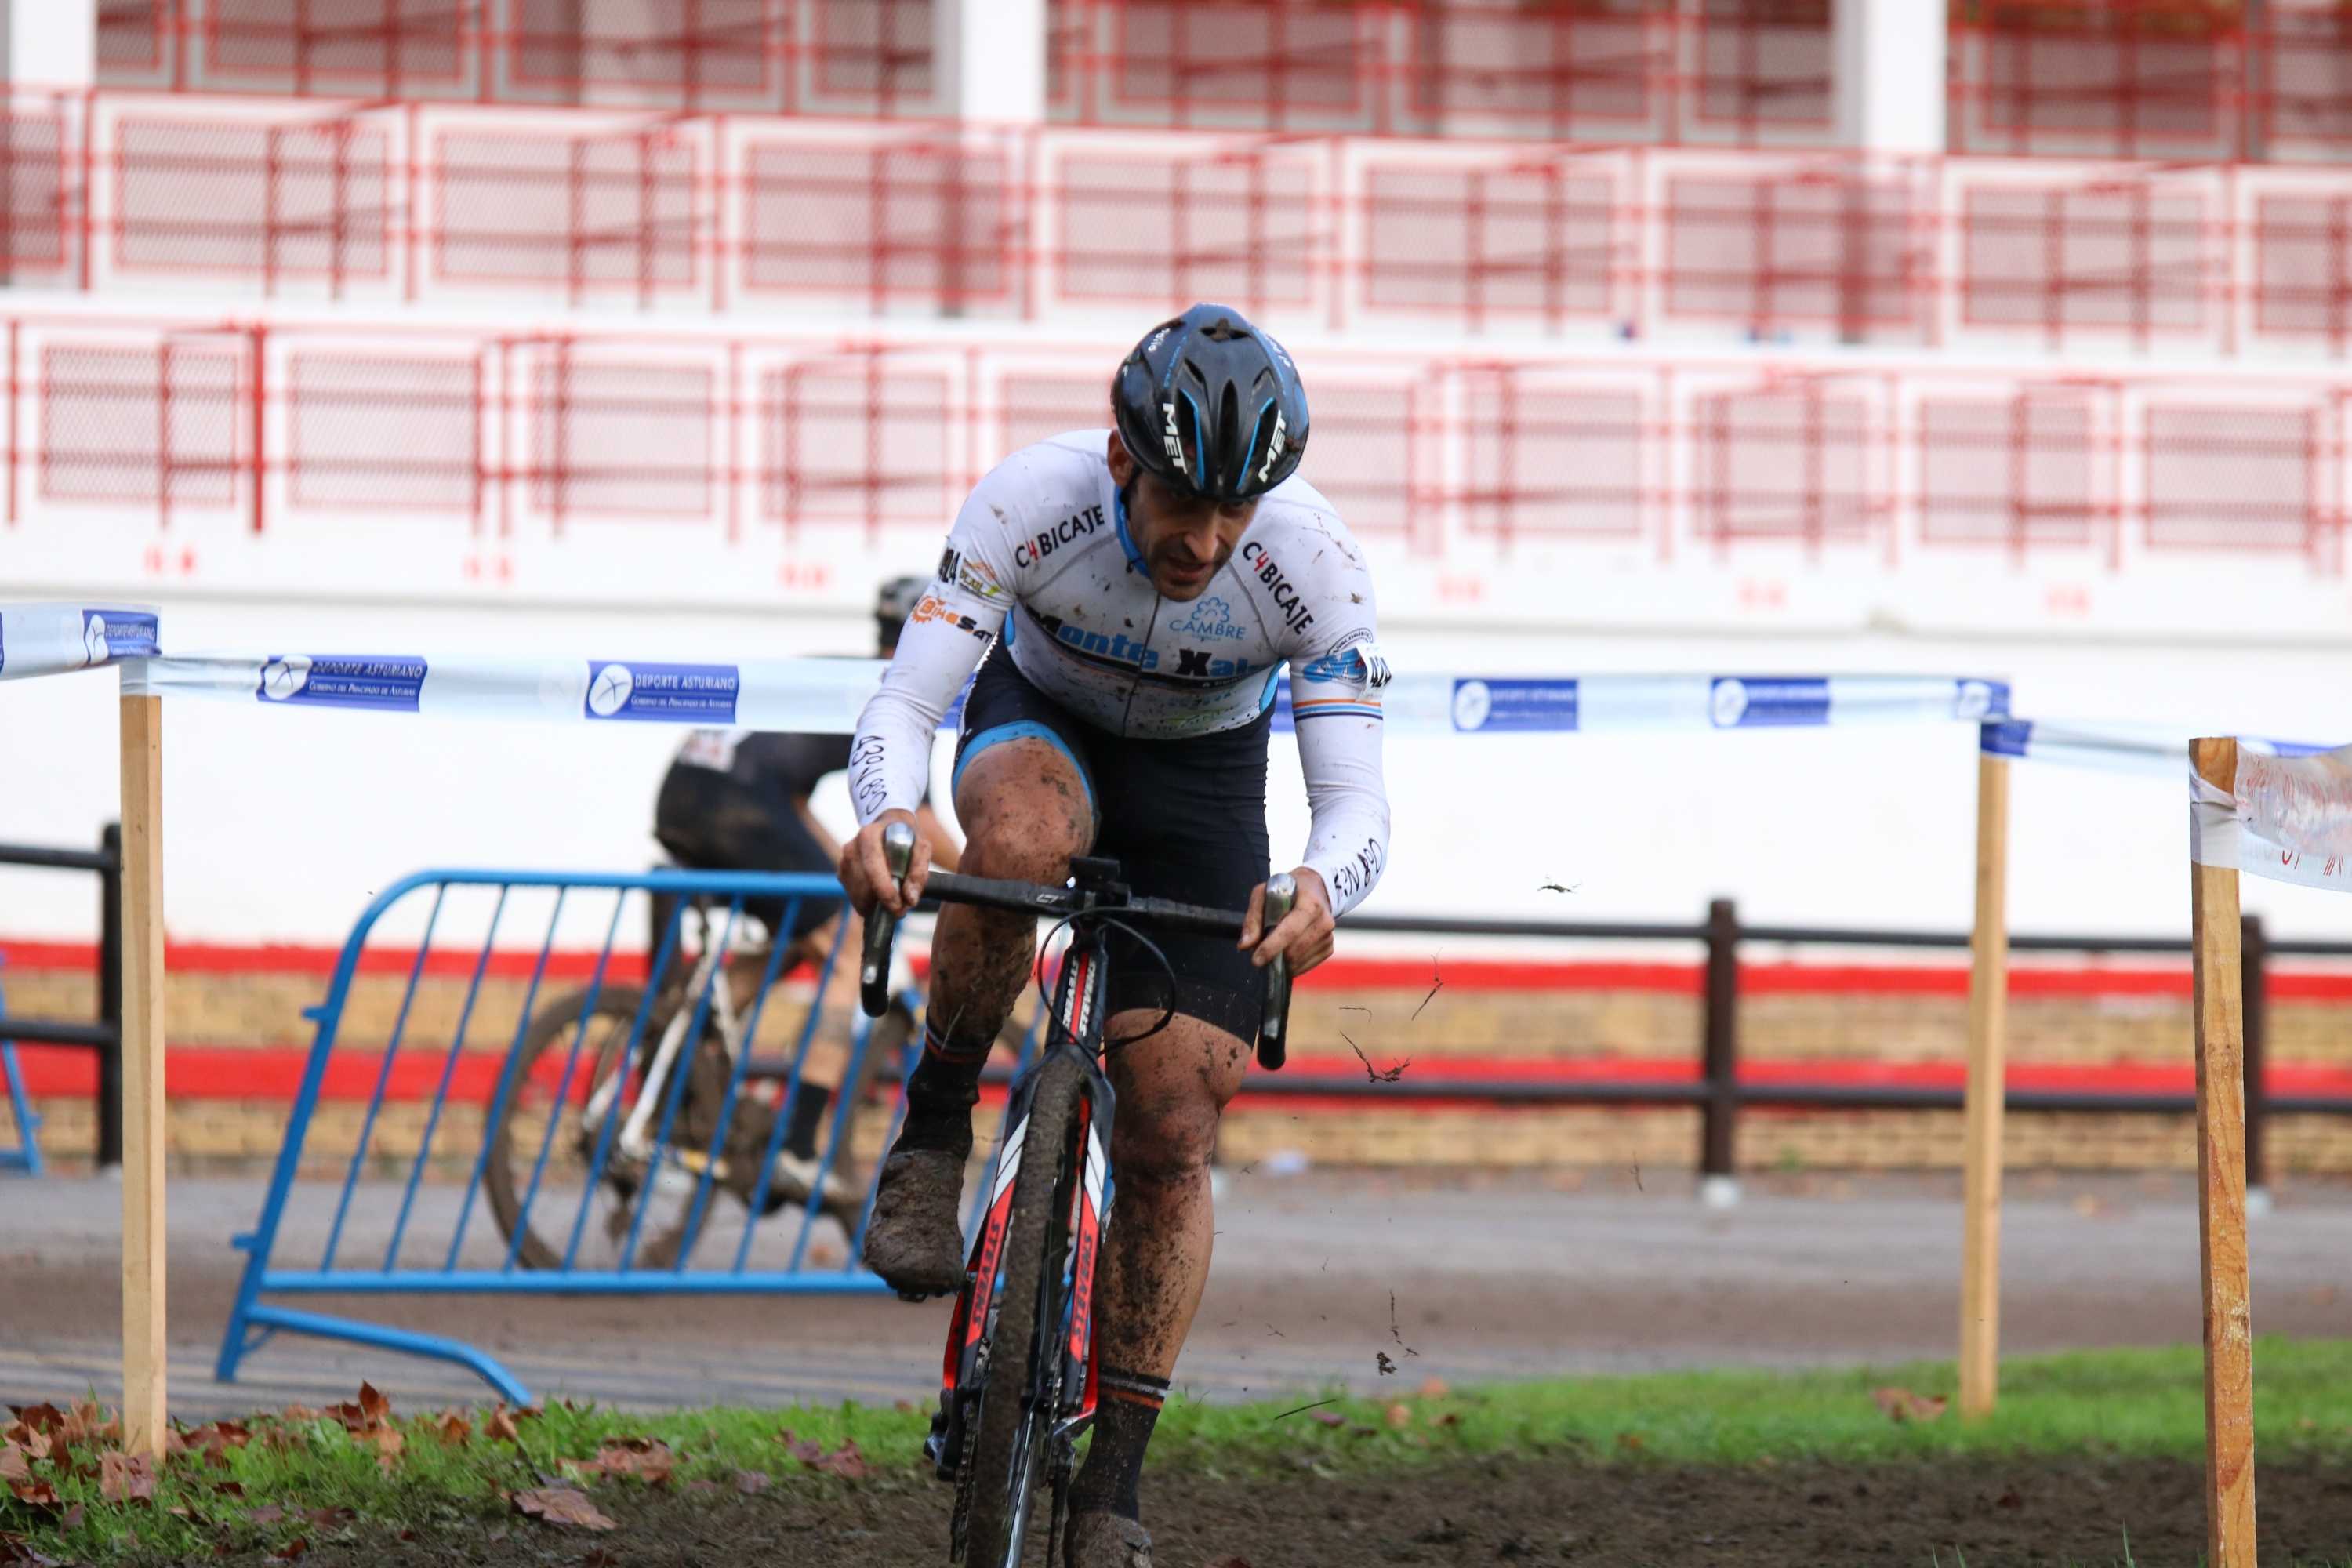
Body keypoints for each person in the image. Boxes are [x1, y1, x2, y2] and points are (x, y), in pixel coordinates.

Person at [837, 303, 1392, 1568]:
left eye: (1233, 514)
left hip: (1203, 788)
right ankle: (934, 1123)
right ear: (1123, 458)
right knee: (1019, 845)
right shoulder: (1033, 502)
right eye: (1182, 502)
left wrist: (1318, 888)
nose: (1203, 541)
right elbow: (907, 701)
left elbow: (1357, 799)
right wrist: (884, 817)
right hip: (1048, 725)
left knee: (1178, 1124)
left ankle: (1113, 1485)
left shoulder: (1313, 562)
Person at [652, 578, 964, 1205]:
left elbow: (790, 798)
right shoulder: (904, 698)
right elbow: (920, 828)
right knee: (849, 945)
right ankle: (797, 1145)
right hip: (740, 802)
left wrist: (842, 868)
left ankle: (687, 1051)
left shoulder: (838, 672)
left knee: (812, 927)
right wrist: (992, 880)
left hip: (686, 792)